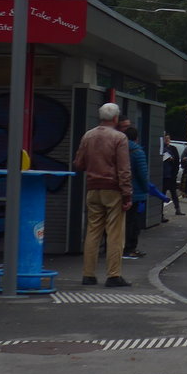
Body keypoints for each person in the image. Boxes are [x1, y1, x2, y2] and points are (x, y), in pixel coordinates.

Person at [73, 102, 133, 287]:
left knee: (93, 231)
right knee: (114, 233)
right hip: (113, 189)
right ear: (115, 118)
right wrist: (127, 194)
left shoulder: (88, 136)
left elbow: (79, 163)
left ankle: (88, 274)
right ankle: (113, 275)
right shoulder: (119, 138)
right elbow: (124, 169)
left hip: (92, 189)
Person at [122, 126, 149, 260]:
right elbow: (143, 174)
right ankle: (130, 248)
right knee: (134, 222)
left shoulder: (119, 150)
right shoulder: (138, 152)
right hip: (136, 192)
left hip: (120, 191)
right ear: (137, 138)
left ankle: (121, 246)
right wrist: (146, 189)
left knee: (124, 221)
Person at [161, 133, 183, 216]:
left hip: (171, 175)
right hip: (164, 175)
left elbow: (176, 161)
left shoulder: (173, 149)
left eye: (168, 139)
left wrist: (175, 173)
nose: (167, 140)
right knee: (162, 194)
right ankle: (161, 211)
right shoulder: (162, 149)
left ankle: (178, 209)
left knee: (174, 193)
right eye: (165, 139)